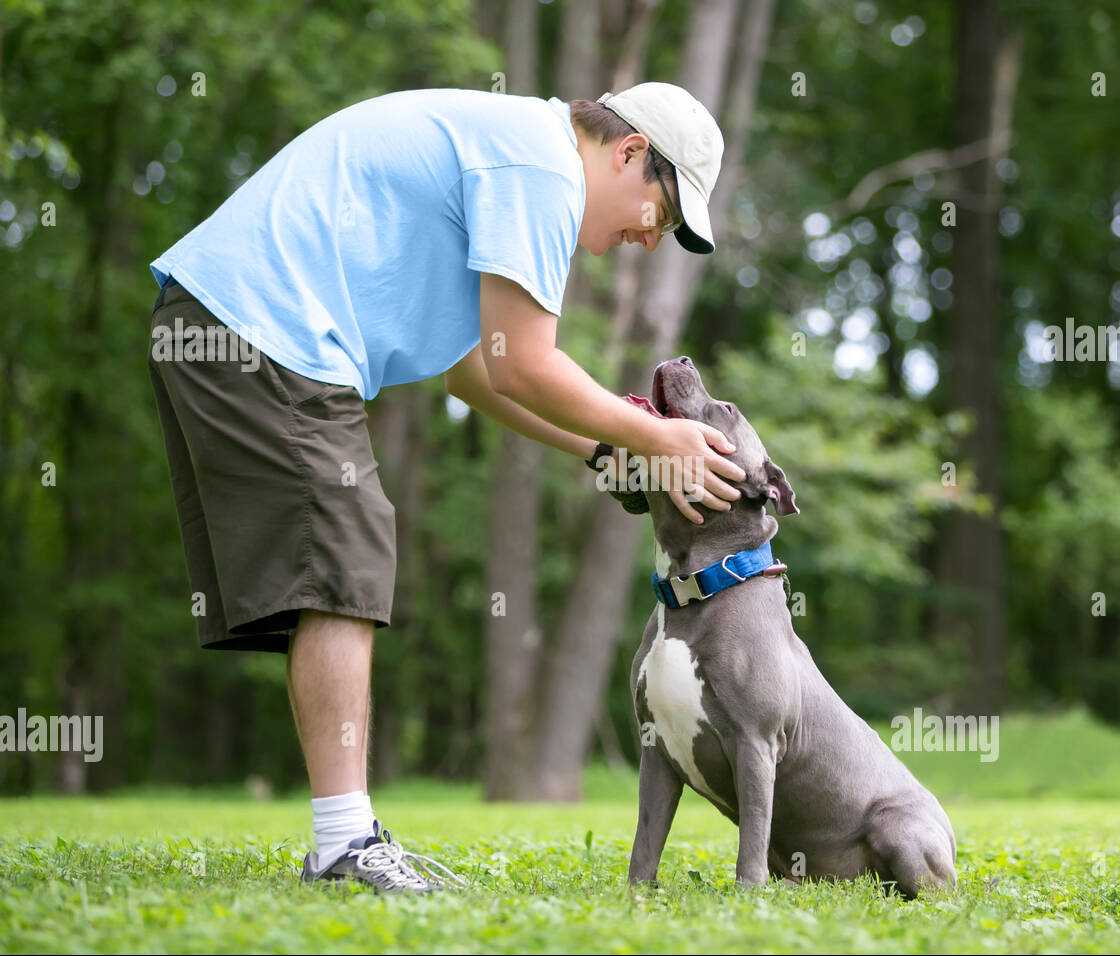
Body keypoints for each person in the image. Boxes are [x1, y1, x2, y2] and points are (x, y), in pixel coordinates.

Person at [146, 82, 747, 894]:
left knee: (338, 560)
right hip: (260, 321)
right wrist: (655, 435)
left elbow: (478, 371)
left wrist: (609, 455)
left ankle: (342, 833)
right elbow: (523, 365)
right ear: (631, 152)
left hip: (223, 317)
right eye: (663, 214)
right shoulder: (541, 167)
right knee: (347, 552)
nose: (652, 238)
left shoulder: (521, 155)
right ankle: (343, 841)